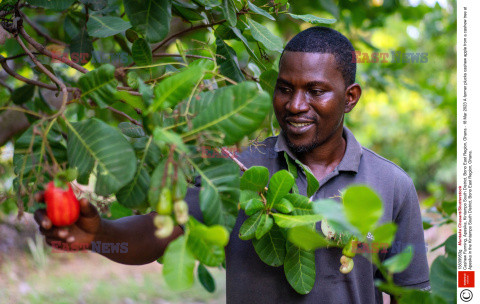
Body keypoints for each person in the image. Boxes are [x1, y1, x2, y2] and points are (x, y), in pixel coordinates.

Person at [34, 27, 430, 303]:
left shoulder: (390, 184)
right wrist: (98, 234)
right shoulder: (237, 168)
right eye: (285, 88)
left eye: (315, 91)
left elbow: (409, 294)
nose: (295, 105)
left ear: (350, 97)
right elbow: (158, 233)